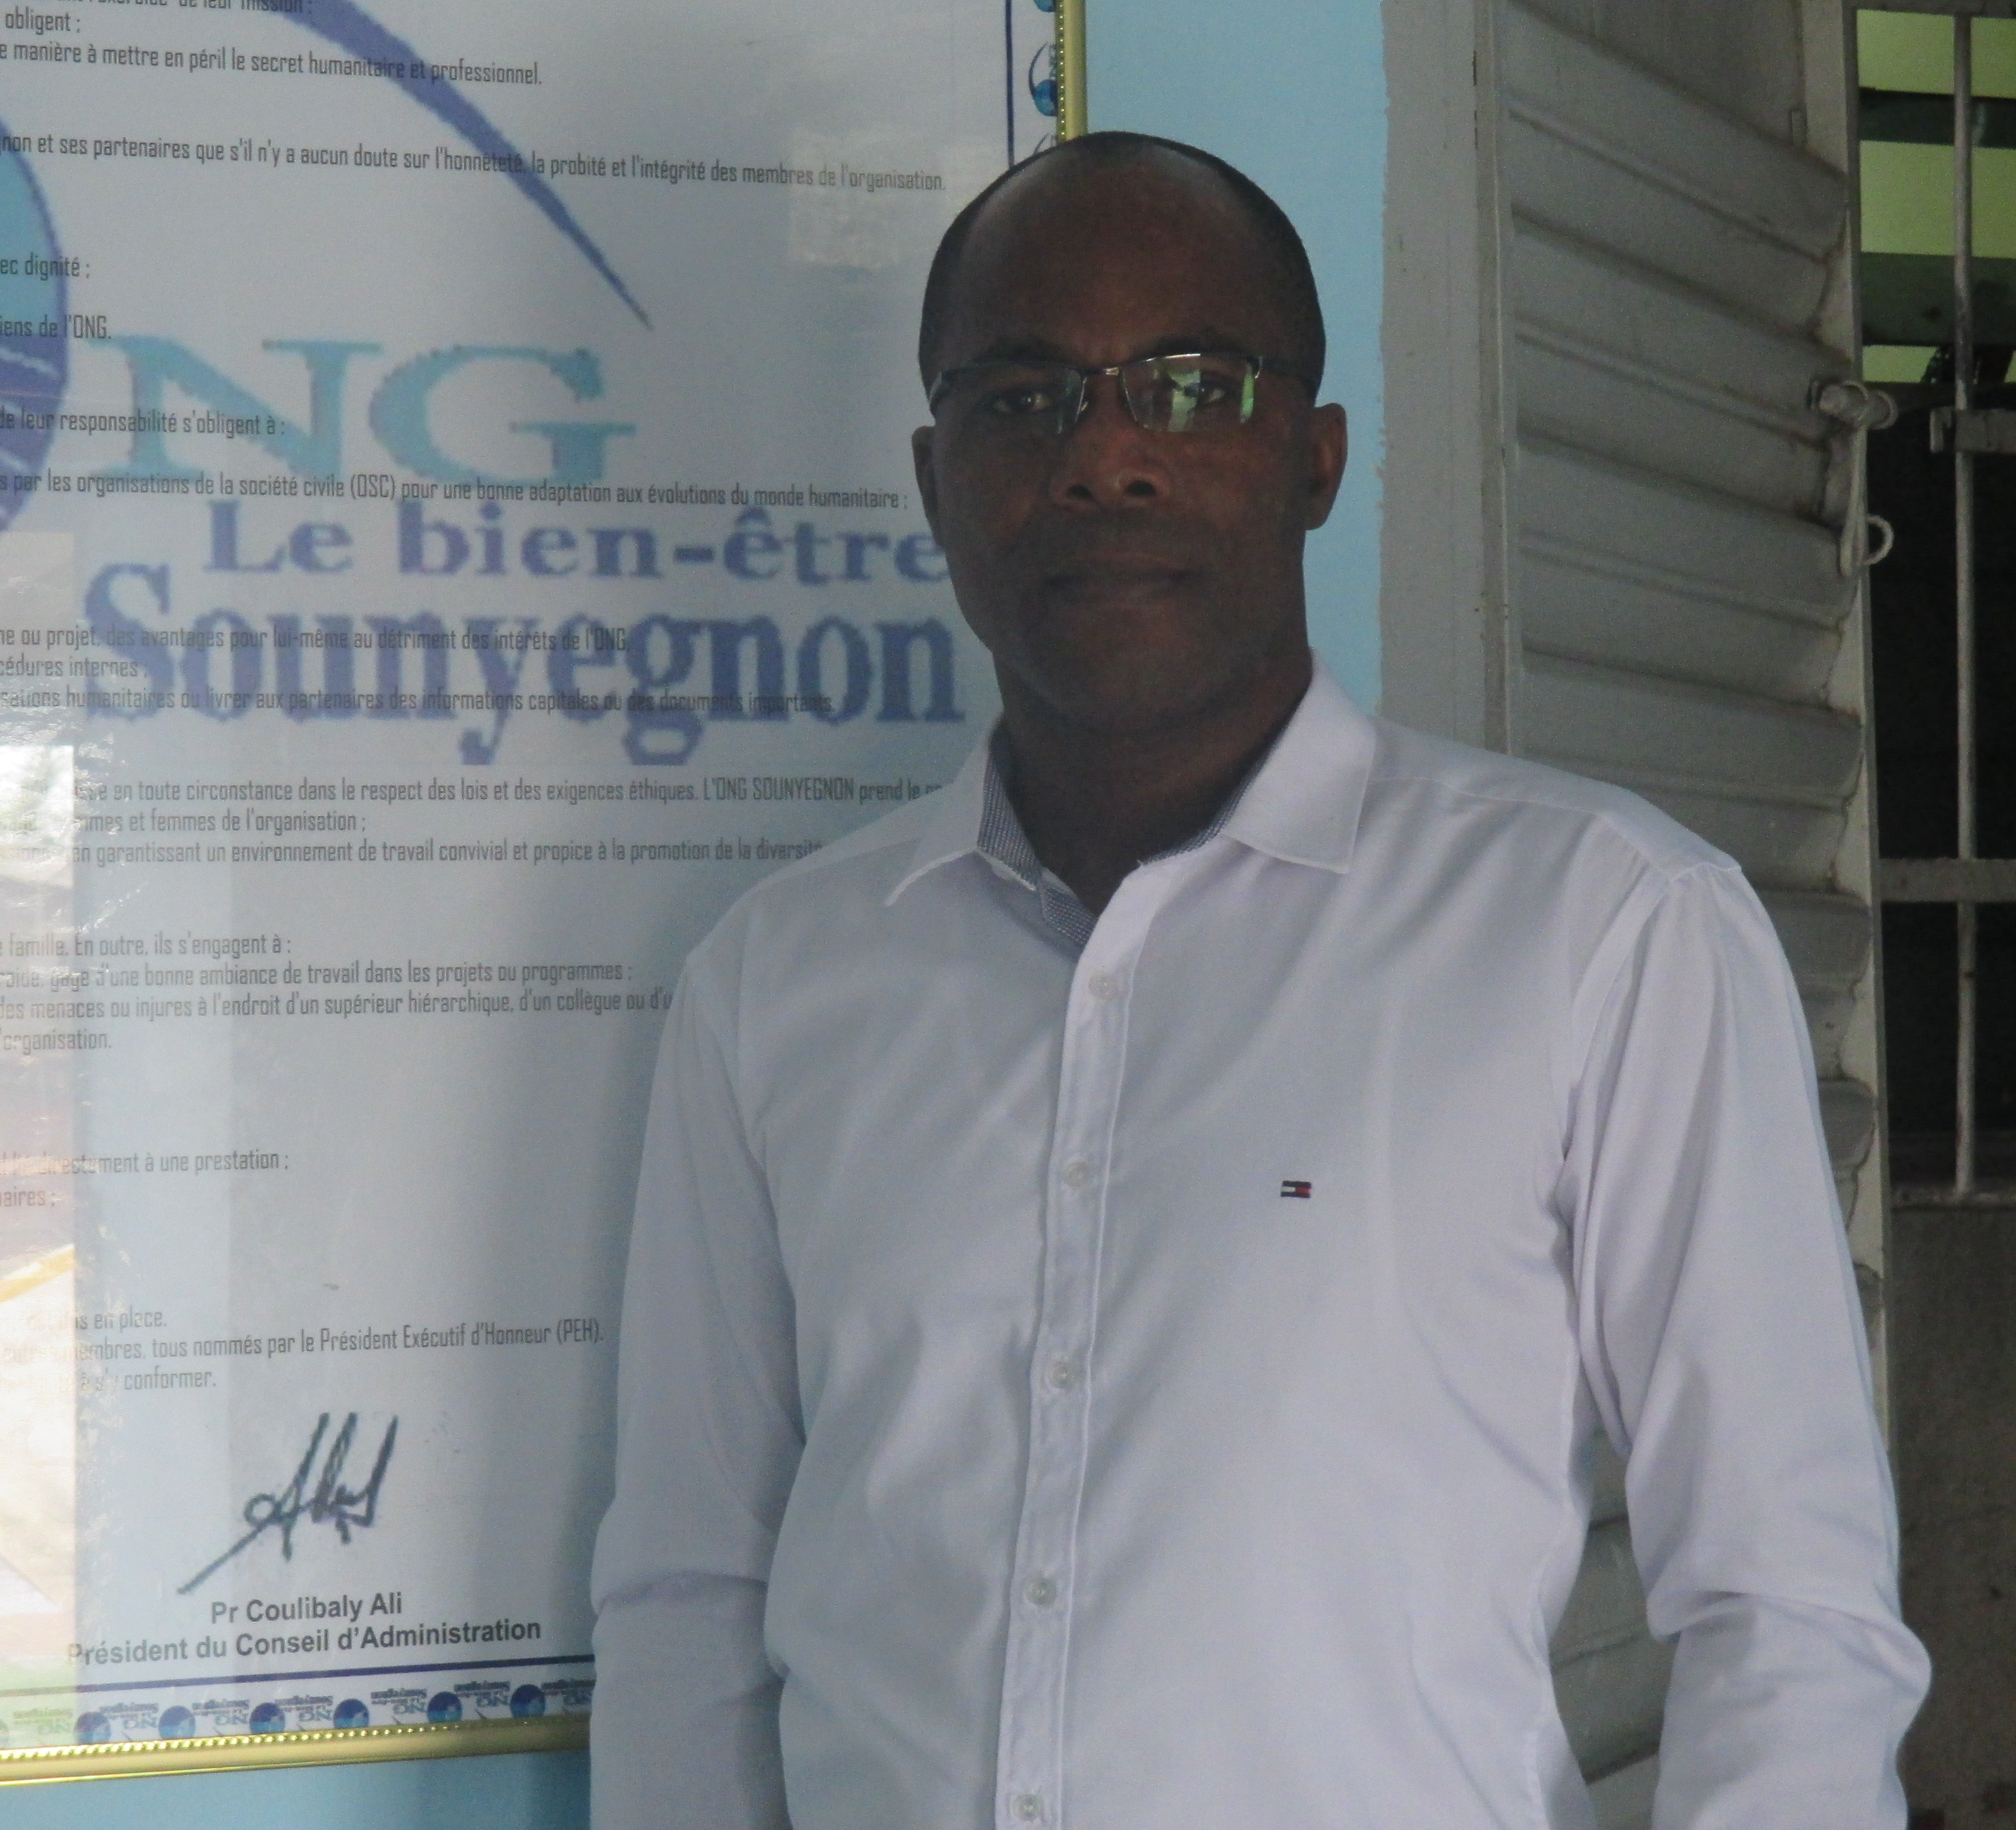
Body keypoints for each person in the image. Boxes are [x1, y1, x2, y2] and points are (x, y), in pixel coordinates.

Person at [587, 133, 1928, 1829]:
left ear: (1317, 459)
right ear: (935, 480)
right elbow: (691, 1593)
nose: (1105, 458)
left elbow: (1786, 1605)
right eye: (1024, 397)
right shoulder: (777, 983)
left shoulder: (1600, 927)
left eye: (1193, 387)